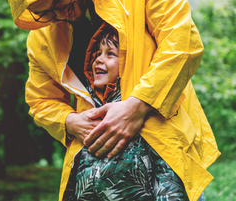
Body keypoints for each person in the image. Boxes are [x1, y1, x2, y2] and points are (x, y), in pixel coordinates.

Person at [2, 0, 220, 200]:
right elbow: (40, 101)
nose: (59, 14)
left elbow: (182, 44)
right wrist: (69, 121)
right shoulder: (41, 40)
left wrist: (139, 105)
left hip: (165, 160)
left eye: (59, 0)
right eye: (44, 13)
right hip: (95, 177)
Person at [63, 22, 188, 200]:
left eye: (110, 54)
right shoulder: (88, 110)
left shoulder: (145, 113)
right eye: (97, 54)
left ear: (129, 63)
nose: (98, 59)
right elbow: (76, 173)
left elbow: (168, 176)